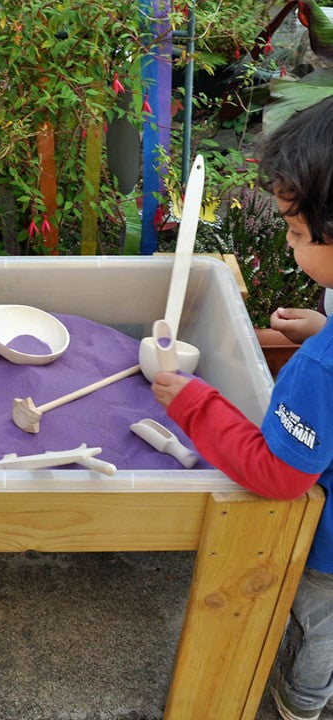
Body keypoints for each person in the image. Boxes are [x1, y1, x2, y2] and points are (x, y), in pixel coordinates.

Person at [151, 94, 333, 720]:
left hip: (331, 555)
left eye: (294, 230)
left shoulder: (319, 371)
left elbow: (280, 475)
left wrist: (196, 404)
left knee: (319, 629)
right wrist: (323, 321)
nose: (288, 243)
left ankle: (302, 701)